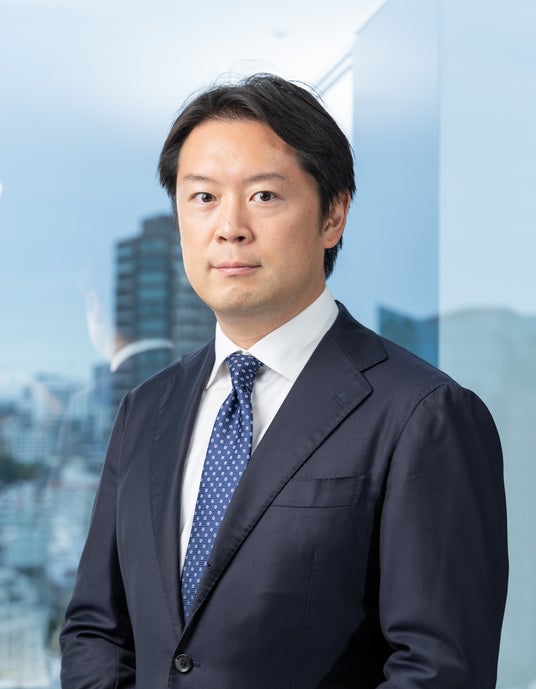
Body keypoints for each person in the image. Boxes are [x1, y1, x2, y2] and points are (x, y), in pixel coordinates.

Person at [60, 73, 508, 688]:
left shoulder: (423, 413)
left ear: (333, 216)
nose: (230, 227)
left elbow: (438, 671)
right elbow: (96, 629)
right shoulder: (146, 408)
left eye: (264, 195)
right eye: (203, 197)